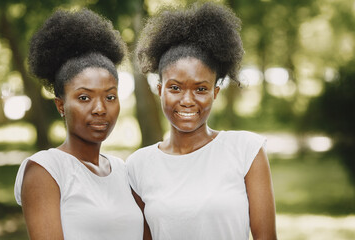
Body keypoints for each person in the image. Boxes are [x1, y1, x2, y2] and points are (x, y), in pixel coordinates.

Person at [126, 2, 277, 240]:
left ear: (215, 93)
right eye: (175, 88)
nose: (187, 100)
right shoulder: (138, 166)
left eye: (200, 89)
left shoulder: (246, 151)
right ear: (159, 90)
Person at [14, 9, 143, 240]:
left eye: (110, 97)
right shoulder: (46, 169)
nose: (100, 108)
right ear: (61, 105)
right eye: (84, 97)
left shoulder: (123, 171)